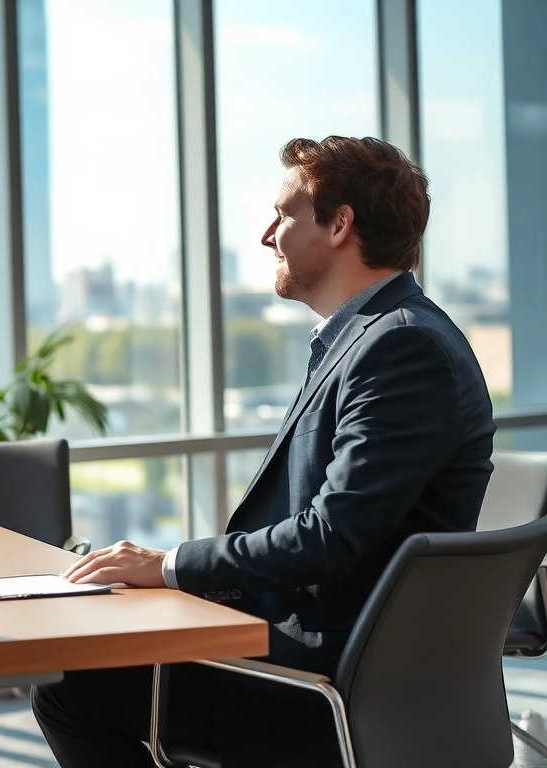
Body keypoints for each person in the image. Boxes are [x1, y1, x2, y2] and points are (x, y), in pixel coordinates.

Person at [32, 136, 496, 767]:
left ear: (339, 224)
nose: (267, 235)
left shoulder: (401, 350)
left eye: (286, 215)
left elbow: (330, 536)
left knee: (71, 685)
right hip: (322, 644)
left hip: (329, 675)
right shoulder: (365, 340)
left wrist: (170, 565)